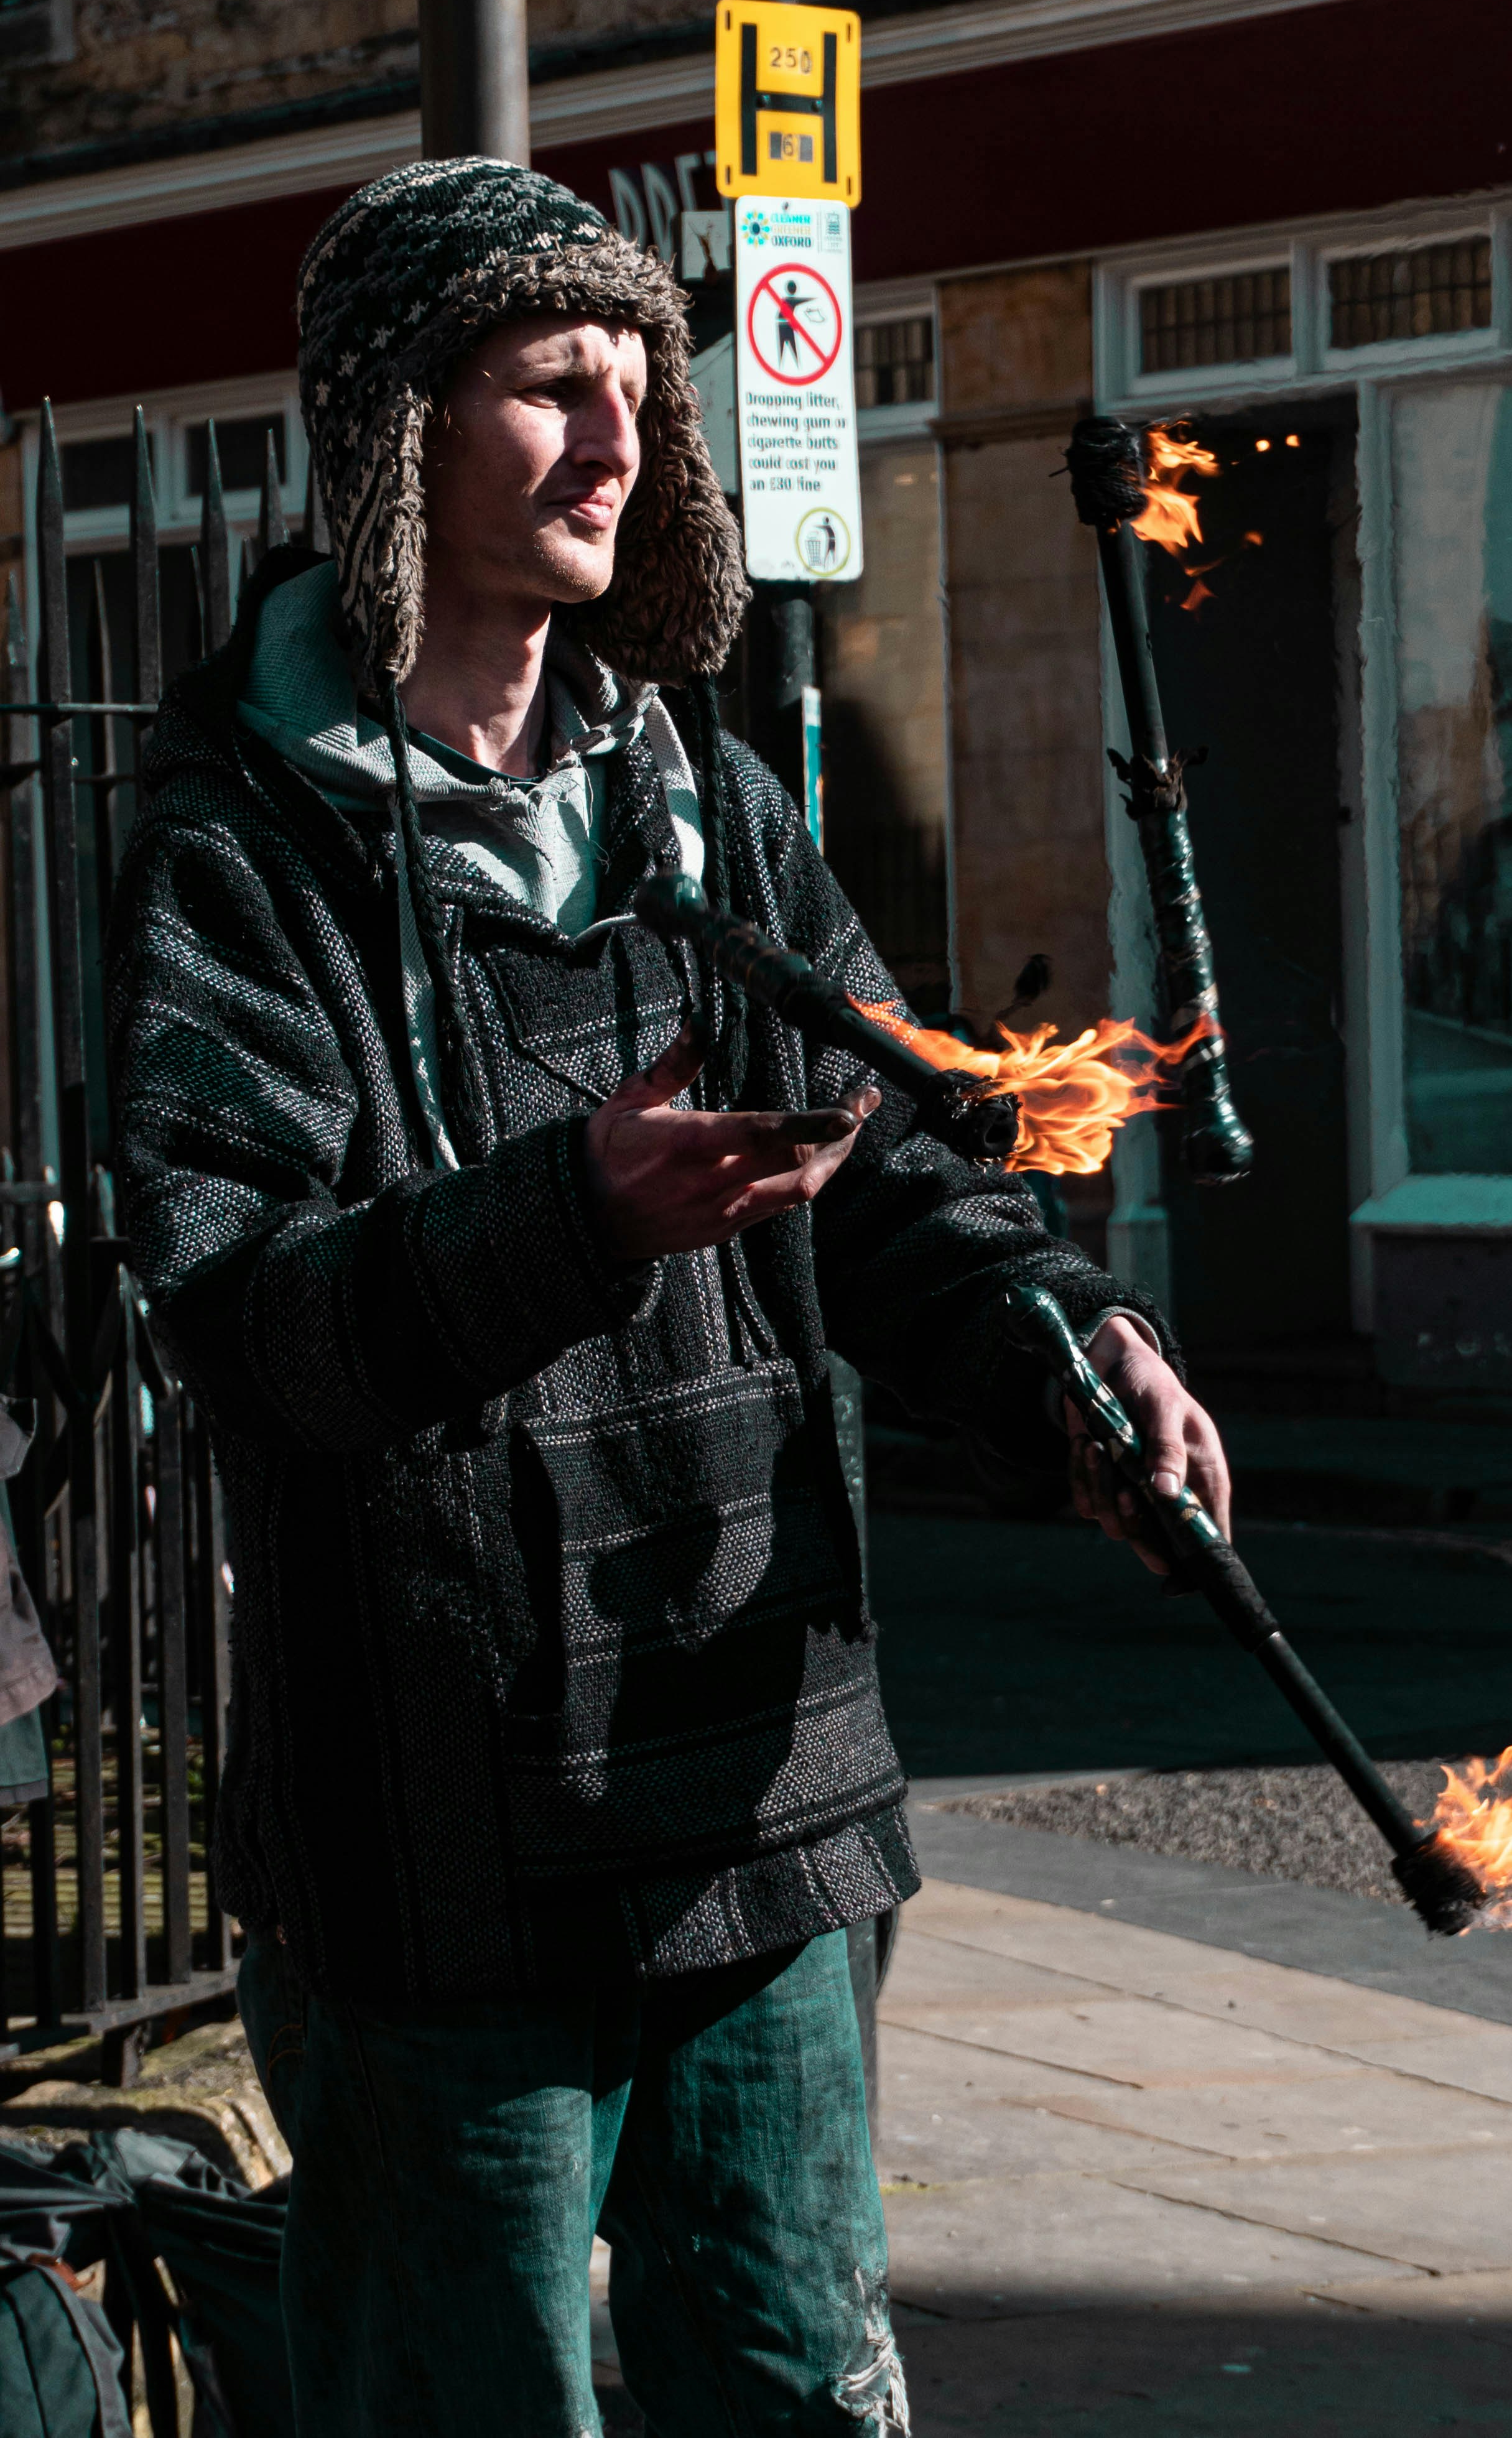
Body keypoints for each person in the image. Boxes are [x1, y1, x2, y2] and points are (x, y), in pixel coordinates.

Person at [104, 159, 1230, 2438]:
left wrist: (1064, 1357)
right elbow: (248, 1327)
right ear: (394, 433)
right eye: (552, 389)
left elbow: (899, 1178)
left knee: (803, 2394)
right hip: (440, 1846)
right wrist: (578, 1213)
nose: (622, 443)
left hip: (755, 1801)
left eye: (640, 389)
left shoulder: (699, 798)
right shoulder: (239, 848)